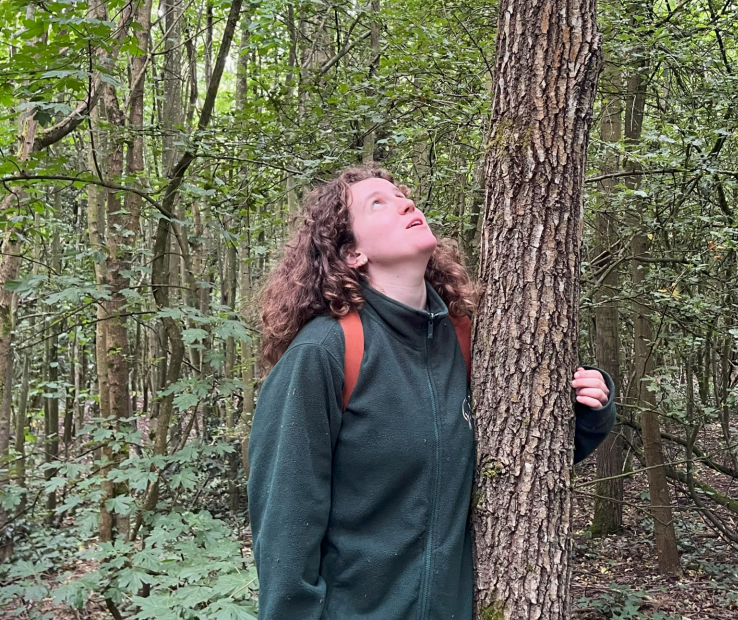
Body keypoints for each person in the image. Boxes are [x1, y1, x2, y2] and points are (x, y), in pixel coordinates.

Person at [247, 165, 616, 620]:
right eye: (377, 203)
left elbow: (517, 463)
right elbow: (285, 528)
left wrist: (588, 408)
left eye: (402, 195)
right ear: (352, 252)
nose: (406, 203)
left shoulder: (463, 340)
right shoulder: (323, 354)